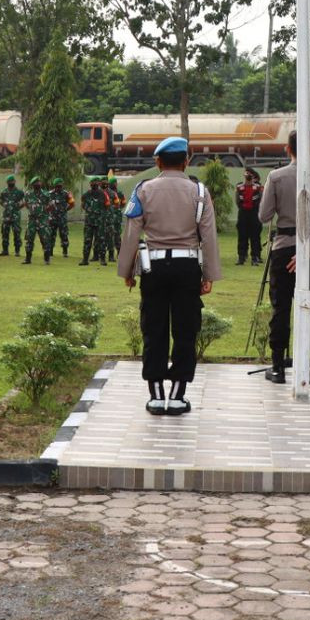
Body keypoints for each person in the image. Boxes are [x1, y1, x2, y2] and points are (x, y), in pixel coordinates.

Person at [117, 136, 222, 414]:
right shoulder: (200, 192)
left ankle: (155, 395)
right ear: (186, 161)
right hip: (187, 268)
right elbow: (208, 236)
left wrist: (127, 270)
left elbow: (131, 234)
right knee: (186, 330)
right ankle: (177, 396)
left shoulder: (143, 189)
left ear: (158, 161)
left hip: (153, 268)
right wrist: (209, 274)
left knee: (154, 329)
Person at [257, 131, 310, 385]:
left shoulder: (276, 177)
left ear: (286, 149)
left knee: (280, 309)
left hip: (282, 249)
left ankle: (278, 366)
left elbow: (264, 215)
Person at [234, 167, 264, 266]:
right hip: (243, 214)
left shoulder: (258, 188)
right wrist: (243, 208)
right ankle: (241, 257)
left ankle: (255, 257)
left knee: (255, 237)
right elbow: (238, 201)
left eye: (249, 175)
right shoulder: (239, 187)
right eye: (246, 175)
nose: (248, 177)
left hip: (254, 214)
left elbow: (260, 200)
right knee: (242, 237)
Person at [24, 176, 52, 264]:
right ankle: (28, 259)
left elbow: (51, 206)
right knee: (29, 239)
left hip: (42, 220)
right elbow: (26, 204)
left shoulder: (46, 194)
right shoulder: (28, 194)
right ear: (32, 185)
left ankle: (46, 259)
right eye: (36, 183)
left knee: (45, 239)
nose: (38, 184)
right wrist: (32, 211)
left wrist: (44, 213)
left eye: (39, 183)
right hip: (32, 220)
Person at [79, 176, 106, 266]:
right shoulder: (86, 195)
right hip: (89, 222)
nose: (95, 185)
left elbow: (107, 205)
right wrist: (90, 211)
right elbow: (83, 205)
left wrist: (99, 213)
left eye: (96, 183)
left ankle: (102, 259)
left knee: (101, 240)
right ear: (90, 184)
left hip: (99, 221)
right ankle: (85, 259)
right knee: (87, 240)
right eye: (93, 183)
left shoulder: (103, 194)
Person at [0, 175, 25, 257]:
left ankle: (17, 251)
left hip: (15, 216)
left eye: (12, 181)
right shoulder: (4, 192)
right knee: (4, 232)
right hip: (6, 215)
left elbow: (23, 202)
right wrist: (4, 205)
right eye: (10, 182)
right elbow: (1, 201)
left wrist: (18, 207)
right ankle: (5, 250)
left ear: (15, 182)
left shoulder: (19, 192)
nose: (11, 183)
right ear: (7, 183)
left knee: (16, 232)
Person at [48, 177, 74, 256]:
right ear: (54, 186)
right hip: (52, 218)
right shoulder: (49, 194)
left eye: (60, 186)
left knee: (64, 234)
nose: (59, 188)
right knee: (51, 234)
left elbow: (72, 203)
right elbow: (46, 204)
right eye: (57, 186)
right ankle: (50, 251)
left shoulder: (66, 193)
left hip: (62, 218)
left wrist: (66, 210)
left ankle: (65, 251)